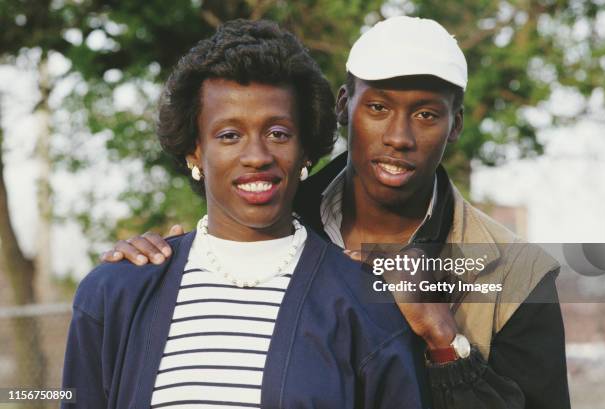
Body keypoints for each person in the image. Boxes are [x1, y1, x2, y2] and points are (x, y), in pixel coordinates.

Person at [102, 16, 571, 409]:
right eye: (379, 107)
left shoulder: (515, 275)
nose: (399, 137)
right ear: (345, 106)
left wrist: (445, 342)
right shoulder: (272, 221)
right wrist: (160, 266)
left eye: (427, 114)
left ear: (456, 125)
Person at [62, 19, 424, 409]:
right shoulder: (116, 292)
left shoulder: (361, 302)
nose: (256, 157)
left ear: (305, 151)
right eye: (229, 135)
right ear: (194, 151)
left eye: (278, 134)